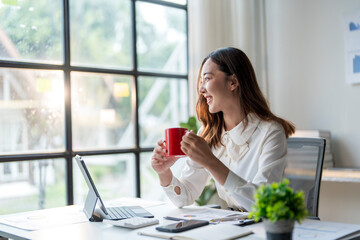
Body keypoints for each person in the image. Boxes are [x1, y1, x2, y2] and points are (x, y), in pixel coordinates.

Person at [151, 47, 295, 211]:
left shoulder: (270, 132)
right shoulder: (208, 134)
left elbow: (264, 202)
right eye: (201, 81)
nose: (201, 89)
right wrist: (164, 172)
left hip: (264, 227)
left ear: (233, 82)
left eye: (207, 79)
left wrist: (210, 161)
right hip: (232, 223)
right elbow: (185, 196)